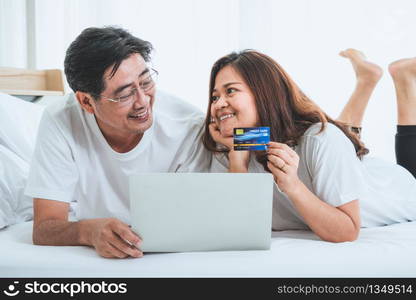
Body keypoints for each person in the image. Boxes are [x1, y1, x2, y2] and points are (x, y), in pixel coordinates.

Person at [24, 27, 209, 258]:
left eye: (146, 82)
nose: (143, 102)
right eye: (124, 95)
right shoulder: (61, 120)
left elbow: (201, 221)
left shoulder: (188, 125)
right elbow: (44, 229)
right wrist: (87, 231)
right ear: (86, 102)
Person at [202, 49, 416, 243]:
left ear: (264, 92)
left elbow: (348, 231)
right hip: (351, 164)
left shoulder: (321, 138)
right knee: (336, 139)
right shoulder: (234, 146)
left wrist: (293, 185)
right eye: (214, 96)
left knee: (329, 137)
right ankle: (366, 81)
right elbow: (242, 227)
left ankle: (403, 78)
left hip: (402, 190)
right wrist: (237, 157)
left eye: (231, 91)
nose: (218, 104)